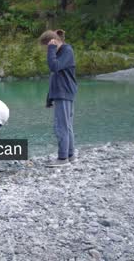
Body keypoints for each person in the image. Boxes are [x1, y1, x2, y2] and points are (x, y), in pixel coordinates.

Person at [39, 29, 78, 167]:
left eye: (46, 48)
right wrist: (49, 98)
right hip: (62, 93)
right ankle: (70, 155)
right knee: (66, 126)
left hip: (64, 93)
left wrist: (51, 48)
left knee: (61, 127)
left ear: (53, 42)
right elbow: (55, 78)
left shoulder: (66, 51)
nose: (47, 52)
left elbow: (53, 67)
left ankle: (63, 158)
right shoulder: (62, 53)